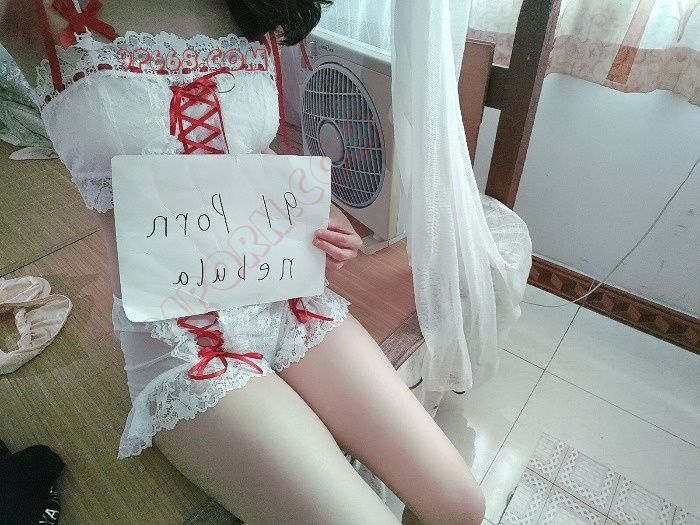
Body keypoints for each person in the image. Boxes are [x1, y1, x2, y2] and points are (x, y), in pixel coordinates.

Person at [0, 1, 486, 523]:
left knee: (461, 506)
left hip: (286, 300)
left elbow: (250, 151)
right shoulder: (34, 15)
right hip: (182, 342)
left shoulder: (255, 9)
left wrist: (315, 210)